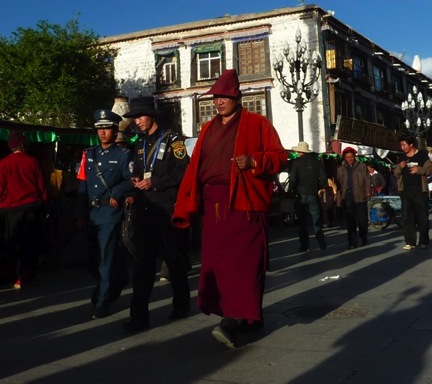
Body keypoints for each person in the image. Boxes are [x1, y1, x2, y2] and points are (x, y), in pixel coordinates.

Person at [172, 69, 287, 348]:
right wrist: (186, 201)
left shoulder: (257, 124)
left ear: (237, 96)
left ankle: (232, 320)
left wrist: (255, 161)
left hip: (243, 203)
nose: (219, 101)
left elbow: (280, 157)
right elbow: (195, 166)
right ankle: (247, 316)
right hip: (213, 205)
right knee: (217, 263)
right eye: (216, 96)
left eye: (224, 96)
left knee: (243, 264)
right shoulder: (209, 128)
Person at [121, 95, 191, 333]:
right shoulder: (138, 144)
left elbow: (184, 172)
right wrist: (136, 181)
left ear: (151, 116)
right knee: (143, 266)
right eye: (134, 118)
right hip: (145, 210)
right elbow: (140, 171)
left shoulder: (174, 141)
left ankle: (182, 304)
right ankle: (138, 317)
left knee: (174, 260)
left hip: (167, 209)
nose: (137, 122)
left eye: (140, 116)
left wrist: (156, 183)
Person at [75, 110, 133, 319]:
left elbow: (130, 179)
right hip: (91, 212)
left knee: (105, 259)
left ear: (115, 130)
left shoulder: (123, 155)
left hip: (109, 212)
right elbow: (82, 185)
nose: (102, 132)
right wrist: (80, 214)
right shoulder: (88, 154)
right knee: (88, 258)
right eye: (99, 128)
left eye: (106, 128)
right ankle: (115, 280)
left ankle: (102, 301)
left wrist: (117, 192)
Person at [0, 131, 47, 288]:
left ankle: (17, 276)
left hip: (10, 210)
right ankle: (26, 275)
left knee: (14, 242)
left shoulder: (4, 163)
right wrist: (45, 205)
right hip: (32, 207)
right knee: (30, 243)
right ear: (22, 144)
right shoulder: (32, 162)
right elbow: (42, 186)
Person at [394, 135, 432, 250]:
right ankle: (410, 241)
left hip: (420, 191)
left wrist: (418, 170)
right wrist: (400, 167)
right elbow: (396, 173)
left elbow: (429, 169)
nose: (402, 147)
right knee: (407, 216)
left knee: (422, 217)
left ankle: (423, 240)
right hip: (405, 191)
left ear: (411, 145)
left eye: (404, 145)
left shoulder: (422, 155)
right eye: (401, 145)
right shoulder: (402, 157)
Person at [288, 141, 327, 252]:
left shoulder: (296, 163)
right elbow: (323, 176)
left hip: (301, 194)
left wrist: (291, 190)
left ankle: (305, 245)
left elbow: (293, 179)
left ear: (300, 152)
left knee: (302, 221)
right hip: (313, 193)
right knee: (316, 219)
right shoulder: (316, 162)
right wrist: (321, 186)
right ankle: (321, 242)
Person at [336, 147, 370, 249]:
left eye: (351, 156)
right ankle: (352, 242)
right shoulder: (340, 169)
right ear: (344, 158)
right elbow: (339, 185)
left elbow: (367, 180)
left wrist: (368, 191)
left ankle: (364, 237)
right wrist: (339, 199)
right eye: (347, 157)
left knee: (362, 220)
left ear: (354, 156)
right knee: (350, 221)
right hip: (348, 196)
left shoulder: (362, 166)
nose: (350, 159)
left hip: (360, 195)